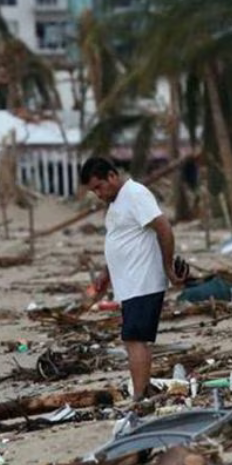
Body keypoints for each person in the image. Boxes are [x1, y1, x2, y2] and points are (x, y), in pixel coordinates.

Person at [80, 157, 183, 405]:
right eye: (93, 190)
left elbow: (164, 228)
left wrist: (168, 267)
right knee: (135, 339)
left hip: (143, 281)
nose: (97, 194)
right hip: (130, 284)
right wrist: (107, 274)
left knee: (134, 339)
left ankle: (139, 397)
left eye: (98, 187)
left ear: (112, 177)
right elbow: (121, 239)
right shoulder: (117, 203)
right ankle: (144, 391)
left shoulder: (135, 194)